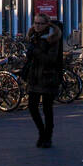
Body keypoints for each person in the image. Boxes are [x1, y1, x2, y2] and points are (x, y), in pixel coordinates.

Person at [22, 13, 64, 148]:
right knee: (32, 107)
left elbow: (51, 59)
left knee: (47, 108)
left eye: (40, 23)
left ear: (47, 24)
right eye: (35, 23)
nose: (37, 26)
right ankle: (42, 132)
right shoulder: (33, 37)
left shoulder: (52, 38)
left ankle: (47, 136)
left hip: (48, 76)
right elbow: (31, 57)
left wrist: (35, 52)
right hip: (35, 76)